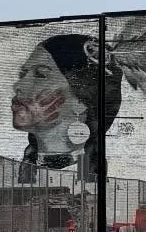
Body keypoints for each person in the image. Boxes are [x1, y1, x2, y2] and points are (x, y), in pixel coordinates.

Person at [10, 33, 122, 181]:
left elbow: (88, 191)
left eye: (41, 75)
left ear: (79, 103)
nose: (18, 86)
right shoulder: (22, 166)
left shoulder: (85, 165)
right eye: (23, 75)